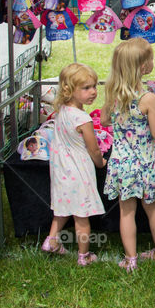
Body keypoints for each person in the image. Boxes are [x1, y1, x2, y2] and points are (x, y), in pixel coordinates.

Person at [99, 38, 155, 271]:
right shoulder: (148, 98)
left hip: (122, 164)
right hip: (146, 163)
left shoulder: (113, 94)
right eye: (151, 58)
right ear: (143, 66)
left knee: (126, 212)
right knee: (153, 208)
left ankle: (131, 259)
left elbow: (104, 120)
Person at [42, 63, 107, 266]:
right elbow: (93, 149)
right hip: (78, 171)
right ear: (69, 90)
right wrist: (101, 162)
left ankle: (51, 240)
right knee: (81, 216)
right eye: (86, 88)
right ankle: (83, 255)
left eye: (94, 86)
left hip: (60, 169)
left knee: (63, 208)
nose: (93, 91)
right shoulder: (82, 118)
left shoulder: (62, 110)